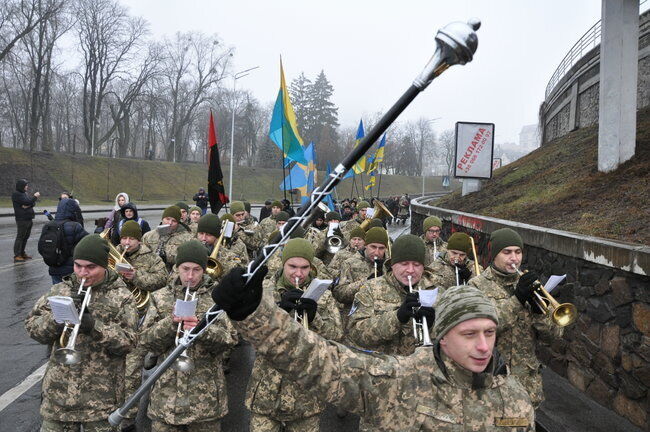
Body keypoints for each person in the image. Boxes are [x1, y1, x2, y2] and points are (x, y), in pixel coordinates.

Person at [212, 271, 536, 431]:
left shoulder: (515, 399)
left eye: (490, 333)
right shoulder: (401, 381)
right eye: (469, 334)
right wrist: (253, 314)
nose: (483, 346)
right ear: (443, 337)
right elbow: (320, 360)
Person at [25, 234, 138, 431]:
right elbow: (32, 328)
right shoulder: (60, 290)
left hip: (100, 401)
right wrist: (57, 318)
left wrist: (94, 326)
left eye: (90, 267)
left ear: (105, 265)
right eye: (78, 266)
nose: (82, 273)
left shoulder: (122, 297)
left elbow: (129, 343)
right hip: (58, 399)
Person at [245, 238, 342, 432]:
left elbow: (337, 336)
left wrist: (316, 320)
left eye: (305, 267)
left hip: (306, 397)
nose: (298, 273)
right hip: (266, 391)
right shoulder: (262, 291)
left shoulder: (323, 294)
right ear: (283, 263)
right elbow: (245, 333)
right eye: (292, 266)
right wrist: (277, 312)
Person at [140, 240, 237, 431]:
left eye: (196, 270)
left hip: (205, 401)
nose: (190, 276)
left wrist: (202, 330)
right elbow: (145, 341)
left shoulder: (217, 298)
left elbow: (230, 340)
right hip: (165, 400)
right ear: (176, 268)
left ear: (204, 270)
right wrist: (170, 324)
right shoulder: (160, 297)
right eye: (185, 269)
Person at [469, 227, 563, 407]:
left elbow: (554, 336)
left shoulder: (532, 285)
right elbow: (482, 328)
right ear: (494, 254)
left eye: (518, 252)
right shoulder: (476, 286)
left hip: (527, 384)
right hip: (490, 383)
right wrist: (517, 300)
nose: (514, 258)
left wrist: (539, 313)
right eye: (507, 252)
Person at [347, 234, 440, 356]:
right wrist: (397, 318)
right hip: (384, 368)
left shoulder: (437, 291)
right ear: (392, 264)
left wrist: (432, 326)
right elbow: (355, 334)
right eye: (404, 264)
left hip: (421, 369)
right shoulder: (370, 288)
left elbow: (453, 341)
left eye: (417, 265)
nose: (411, 270)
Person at [115, 220, 167, 431]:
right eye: (124, 238)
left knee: (131, 372)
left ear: (139, 239)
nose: (127, 243)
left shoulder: (151, 258)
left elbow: (162, 280)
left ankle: (128, 418)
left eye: (131, 239)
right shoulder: (113, 254)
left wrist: (136, 276)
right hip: (115, 319)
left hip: (138, 317)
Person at [332, 227, 389, 309]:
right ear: (366, 245)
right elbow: (340, 294)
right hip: (357, 315)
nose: (377, 252)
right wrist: (367, 281)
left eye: (381, 248)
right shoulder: (349, 263)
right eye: (373, 247)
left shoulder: (390, 265)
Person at [47, 198, 89, 284]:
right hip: (70, 270)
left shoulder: (48, 225)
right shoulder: (75, 226)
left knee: (57, 293)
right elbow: (87, 242)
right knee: (71, 294)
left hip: (53, 269)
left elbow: (42, 247)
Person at [142, 206, 193, 271]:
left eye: (174, 221)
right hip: (151, 273)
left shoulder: (187, 238)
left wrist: (167, 257)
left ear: (178, 223)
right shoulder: (148, 236)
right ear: (162, 219)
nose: (170, 223)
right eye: (167, 219)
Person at [12, 178, 40, 262]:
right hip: (22, 219)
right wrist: (35, 197)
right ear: (21, 186)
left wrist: (28, 204)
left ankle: (22, 253)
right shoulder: (16, 194)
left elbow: (31, 202)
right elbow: (29, 201)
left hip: (28, 218)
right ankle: (17, 255)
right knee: (20, 237)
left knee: (25, 237)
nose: (27, 187)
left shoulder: (24, 193)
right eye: (26, 185)